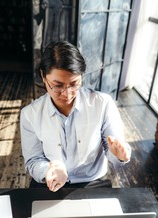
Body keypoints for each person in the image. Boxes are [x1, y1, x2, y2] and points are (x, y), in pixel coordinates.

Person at [20, 40, 131, 192]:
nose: (67, 94)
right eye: (57, 85)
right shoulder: (29, 114)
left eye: (74, 84)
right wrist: (48, 171)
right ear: (43, 77)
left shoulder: (103, 104)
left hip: (91, 181)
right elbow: (33, 160)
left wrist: (118, 155)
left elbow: (113, 152)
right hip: (49, 182)